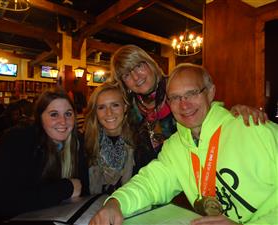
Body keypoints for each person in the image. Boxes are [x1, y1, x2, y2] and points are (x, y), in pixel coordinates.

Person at [89, 63, 278, 225]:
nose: (184, 105)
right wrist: (116, 203)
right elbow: (149, 183)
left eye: (192, 93)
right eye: (175, 98)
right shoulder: (175, 147)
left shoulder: (255, 130)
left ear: (210, 92)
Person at [110, 45, 268, 169]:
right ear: (123, 82)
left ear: (150, 64)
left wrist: (238, 111)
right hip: (153, 181)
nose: (135, 76)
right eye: (126, 74)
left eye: (138, 66)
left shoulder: (177, 86)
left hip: (193, 175)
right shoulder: (128, 109)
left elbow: (209, 110)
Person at [0, 88, 89, 222]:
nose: (63, 121)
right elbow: (4, 204)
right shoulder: (18, 140)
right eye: (54, 114)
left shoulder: (77, 143)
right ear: (39, 118)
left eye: (68, 114)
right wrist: (66, 188)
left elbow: (82, 189)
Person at [84, 82, 135, 195]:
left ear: (125, 107)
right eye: (101, 107)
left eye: (115, 105)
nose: (109, 113)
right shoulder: (86, 144)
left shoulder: (139, 142)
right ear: (95, 112)